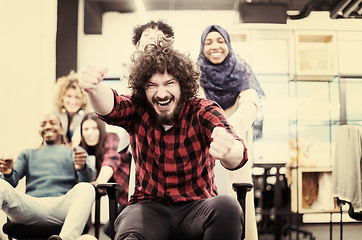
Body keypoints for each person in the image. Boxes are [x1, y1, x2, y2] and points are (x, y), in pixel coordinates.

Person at [80, 38, 248, 240]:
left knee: (228, 207)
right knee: (129, 227)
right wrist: (94, 89)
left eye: (169, 83)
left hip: (196, 208)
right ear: (144, 88)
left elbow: (237, 152)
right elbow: (112, 105)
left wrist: (230, 151)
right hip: (148, 209)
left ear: (182, 86)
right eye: (152, 85)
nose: (161, 93)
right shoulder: (137, 109)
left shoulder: (203, 110)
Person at [197, 24, 265, 240]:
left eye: (220, 41)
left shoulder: (242, 71)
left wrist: (227, 131)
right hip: (203, 156)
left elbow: (251, 104)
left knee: (240, 206)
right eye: (208, 42)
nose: (214, 46)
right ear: (202, 47)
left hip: (236, 154)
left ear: (228, 44)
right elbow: (195, 105)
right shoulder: (194, 74)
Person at [0, 113, 96, 240]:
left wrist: (82, 168)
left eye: (52, 122)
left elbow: (87, 180)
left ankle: (66, 239)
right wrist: (7, 172)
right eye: (43, 124)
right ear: (40, 131)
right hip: (31, 207)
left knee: (86, 188)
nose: (47, 126)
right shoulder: (28, 154)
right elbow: (11, 182)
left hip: (61, 207)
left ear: (62, 129)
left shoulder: (75, 151)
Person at [79, 112, 131, 237]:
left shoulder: (111, 138)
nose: (90, 133)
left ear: (101, 129)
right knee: (109, 229)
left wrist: (100, 181)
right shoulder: (87, 150)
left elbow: (111, 159)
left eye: (94, 128)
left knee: (113, 229)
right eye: (86, 129)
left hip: (133, 197)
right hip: (121, 200)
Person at [54, 71, 92, 147]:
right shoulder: (55, 115)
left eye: (77, 97)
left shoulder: (89, 116)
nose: (73, 101)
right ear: (62, 97)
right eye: (69, 96)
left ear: (83, 99)